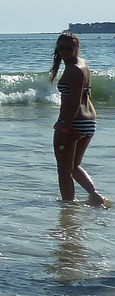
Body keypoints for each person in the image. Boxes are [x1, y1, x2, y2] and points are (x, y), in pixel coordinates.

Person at [51, 32, 109, 206]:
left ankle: (67, 207)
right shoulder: (82, 64)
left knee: (63, 170)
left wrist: (64, 128)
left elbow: (74, 102)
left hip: (74, 122)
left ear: (76, 48)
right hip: (89, 122)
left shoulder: (74, 69)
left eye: (68, 48)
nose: (63, 52)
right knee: (74, 166)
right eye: (60, 48)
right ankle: (95, 196)